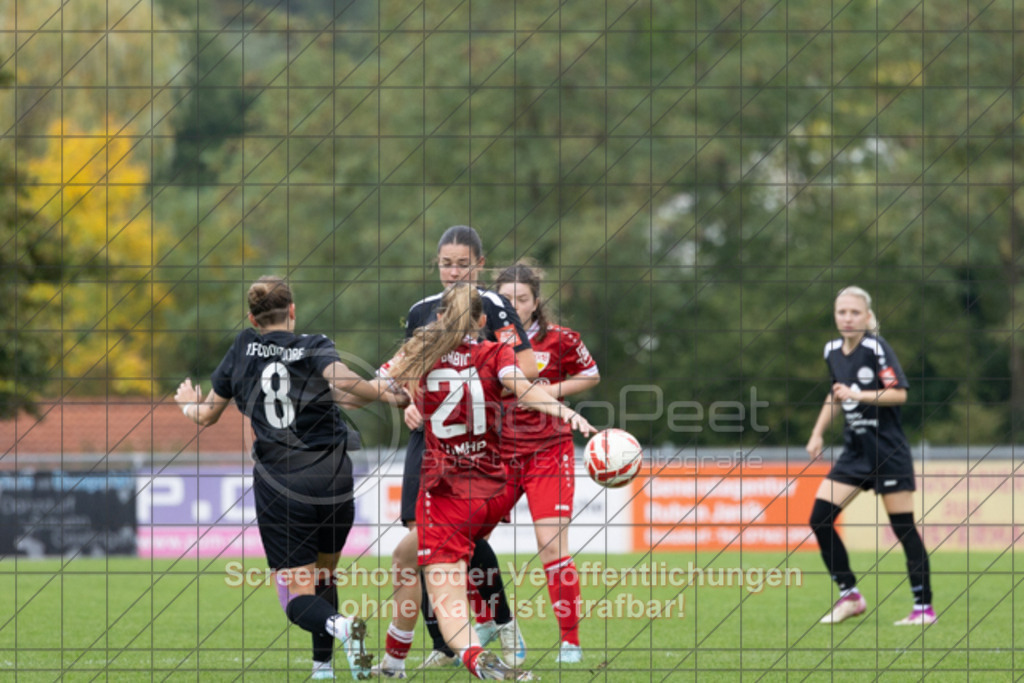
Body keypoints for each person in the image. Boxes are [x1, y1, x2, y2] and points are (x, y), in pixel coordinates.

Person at [174, 276, 409, 680]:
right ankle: (323, 667)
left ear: (252, 317)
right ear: (293, 311)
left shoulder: (242, 348)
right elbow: (344, 387)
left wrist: (187, 405)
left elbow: (207, 416)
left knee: (297, 597)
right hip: (333, 475)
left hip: (283, 481)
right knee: (324, 574)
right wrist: (387, 393)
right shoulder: (314, 344)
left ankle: (340, 627)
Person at [383, 284, 595, 681]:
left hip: (446, 490)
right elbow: (526, 389)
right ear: (484, 322)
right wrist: (566, 413)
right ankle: (394, 663)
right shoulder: (495, 352)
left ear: (441, 317)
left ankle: (476, 656)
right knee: (406, 558)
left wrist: (333, 384)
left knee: (445, 596)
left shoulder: (422, 351)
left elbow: (381, 386)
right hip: (491, 487)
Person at [376, 226, 538, 676]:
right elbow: (409, 372)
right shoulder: (421, 311)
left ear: (480, 265)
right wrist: (410, 401)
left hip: (476, 443)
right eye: (446, 263)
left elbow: (524, 366)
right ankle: (447, 644)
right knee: (422, 539)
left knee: (446, 542)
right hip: (427, 441)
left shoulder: (494, 307)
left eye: (462, 263)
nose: (453, 271)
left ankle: (500, 622)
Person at [806, 286, 935, 626]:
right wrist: (817, 432)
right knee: (819, 518)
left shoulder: (877, 348)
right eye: (841, 312)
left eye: (854, 312)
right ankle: (850, 595)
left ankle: (924, 608)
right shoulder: (831, 350)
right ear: (835, 316)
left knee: (903, 527)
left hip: (888, 452)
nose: (847, 318)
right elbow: (835, 395)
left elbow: (899, 394)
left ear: (866, 316)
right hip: (854, 453)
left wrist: (858, 393)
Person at [493, 263, 600, 664]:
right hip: (496, 453)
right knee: (467, 543)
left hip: (547, 452)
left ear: (536, 302)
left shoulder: (560, 339)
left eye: (521, 299)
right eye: (506, 300)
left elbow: (590, 374)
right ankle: (495, 622)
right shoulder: (486, 340)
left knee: (551, 545)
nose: (514, 307)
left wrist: (546, 392)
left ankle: (570, 641)